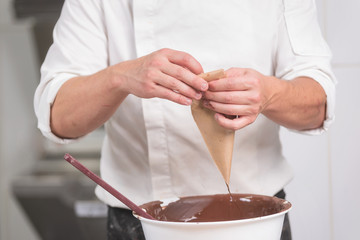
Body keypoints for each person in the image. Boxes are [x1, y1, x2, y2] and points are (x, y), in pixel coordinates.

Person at [34, 0, 336, 239]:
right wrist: (120, 77)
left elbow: (317, 108)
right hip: (140, 220)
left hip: (257, 223)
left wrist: (270, 93)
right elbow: (58, 117)